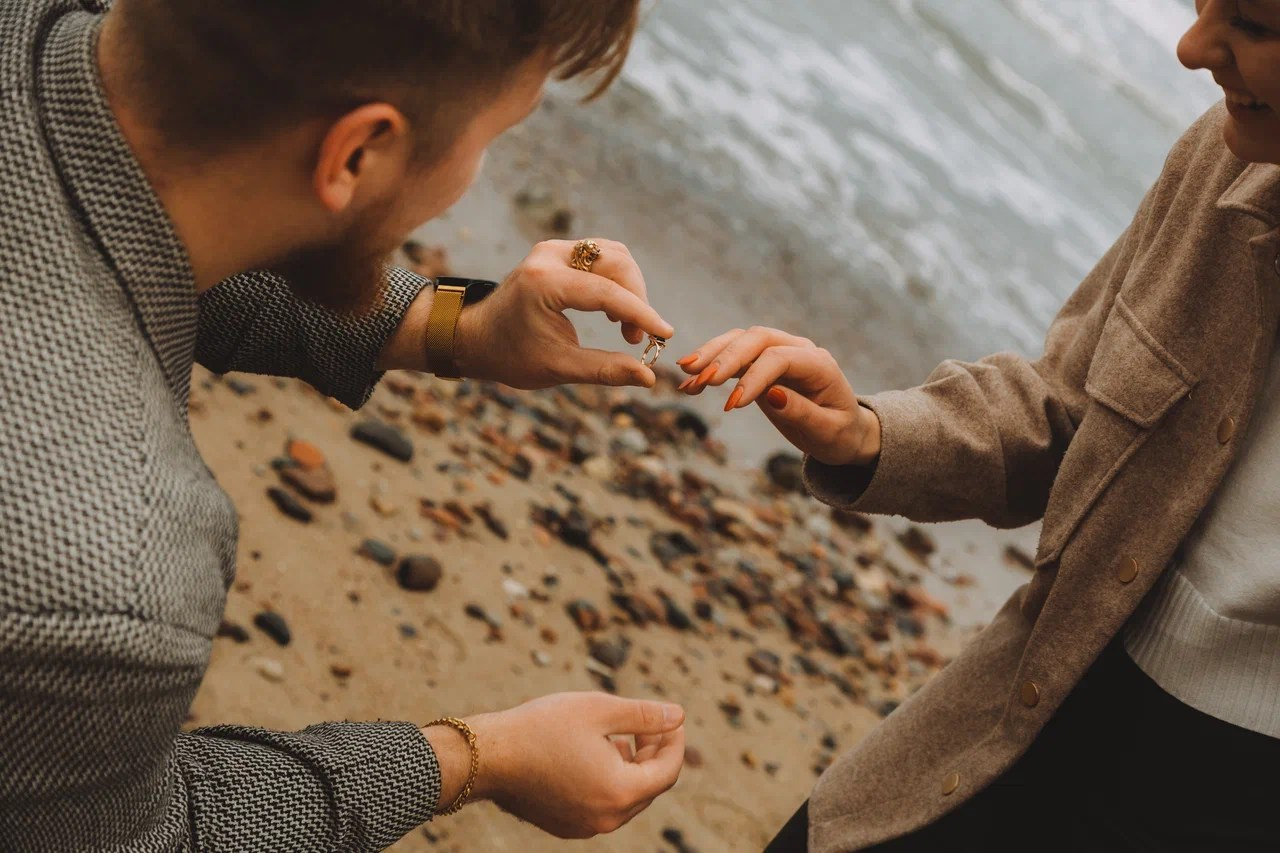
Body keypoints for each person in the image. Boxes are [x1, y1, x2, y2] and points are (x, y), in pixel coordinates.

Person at [0, 0, 687, 850]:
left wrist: (463, 328)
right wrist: (479, 755)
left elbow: (130, 229)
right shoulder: (106, 574)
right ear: (358, 151)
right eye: (494, 136)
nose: (477, 171)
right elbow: (158, 834)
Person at [678, 1, 1280, 850]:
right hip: (1032, 704)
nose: (1191, 49)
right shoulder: (1223, 157)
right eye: (1201, 1)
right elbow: (1065, 407)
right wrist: (864, 432)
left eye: (1255, 27)